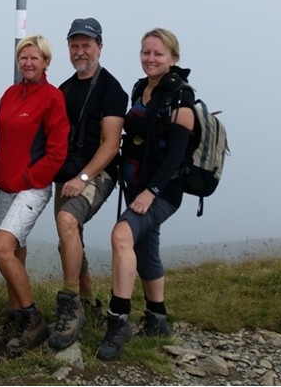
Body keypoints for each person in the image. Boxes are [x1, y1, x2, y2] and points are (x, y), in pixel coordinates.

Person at [96, 28, 194, 361]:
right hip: (136, 185)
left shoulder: (182, 98)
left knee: (121, 236)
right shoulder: (142, 88)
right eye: (145, 52)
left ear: (173, 58)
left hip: (163, 191)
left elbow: (175, 156)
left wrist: (151, 193)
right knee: (145, 247)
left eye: (158, 54)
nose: (150, 59)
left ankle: (118, 320)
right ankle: (157, 318)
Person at [49, 18, 128, 350]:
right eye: (75, 45)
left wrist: (82, 179)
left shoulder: (112, 89)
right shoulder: (64, 89)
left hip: (98, 174)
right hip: (67, 175)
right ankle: (88, 302)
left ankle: (70, 305)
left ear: (100, 47)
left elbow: (111, 145)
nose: (80, 51)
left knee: (68, 221)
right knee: (70, 238)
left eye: (87, 45)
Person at [0, 35, 69, 357]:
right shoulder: (9, 94)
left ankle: (33, 318)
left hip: (32, 187)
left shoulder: (52, 98)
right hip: (5, 185)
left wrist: (30, 177)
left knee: (1, 247)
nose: (29, 63)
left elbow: (57, 151)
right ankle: (17, 317)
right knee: (15, 253)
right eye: (24, 58)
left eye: (35, 58)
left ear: (46, 62)